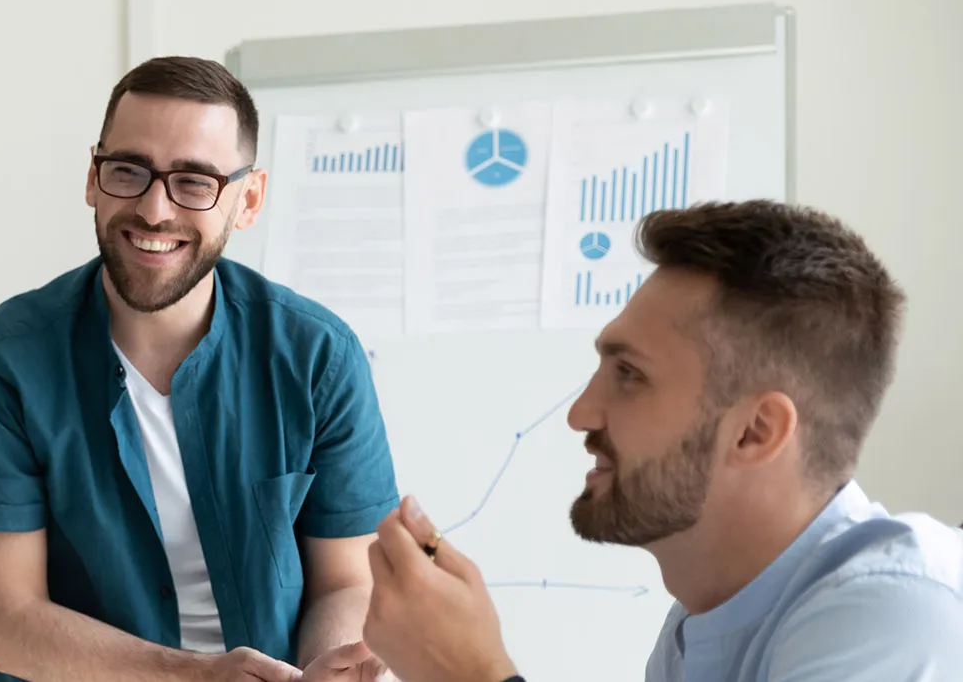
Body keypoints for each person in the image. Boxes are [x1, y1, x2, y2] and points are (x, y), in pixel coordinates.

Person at [0, 56, 400, 682]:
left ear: (247, 199)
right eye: (128, 171)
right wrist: (195, 676)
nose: (153, 210)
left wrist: (326, 669)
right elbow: (8, 624)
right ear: (92, 178)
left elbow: (346, 581)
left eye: (195, 183)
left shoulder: (319, 357)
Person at [361, 200, 963, 682]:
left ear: (755, 433)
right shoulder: (697, 627)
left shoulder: (900, 617)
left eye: (630, 376)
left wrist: (467, 674)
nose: (580, 413)